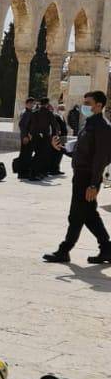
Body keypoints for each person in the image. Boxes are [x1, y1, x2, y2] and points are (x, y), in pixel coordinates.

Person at [43, 89, 111, 265]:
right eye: (85, 103)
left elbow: (100, 159)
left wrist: (94, 184)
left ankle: (64, 250)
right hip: (80, 175)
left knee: (76, 215)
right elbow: (82, 154)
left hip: (88, 178)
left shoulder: (102, 127)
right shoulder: (89, 124)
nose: (85, 106)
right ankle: (107, 249)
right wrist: (62, 149)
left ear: (99, 105)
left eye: (88, 103)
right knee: (89, 215)